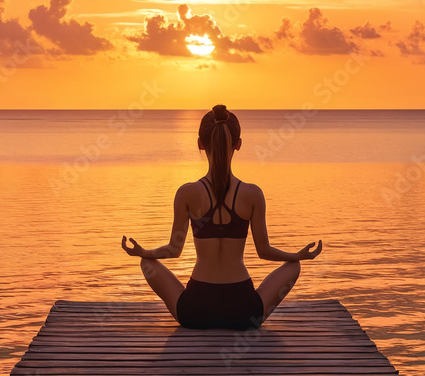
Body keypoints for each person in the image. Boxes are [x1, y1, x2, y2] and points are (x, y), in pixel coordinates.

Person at [121, 104, 323, 330]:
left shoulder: (186, 193)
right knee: (293, 266)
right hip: (244, 312)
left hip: (195, 311)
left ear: (200, 143)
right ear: (238, 144)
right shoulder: (252, 194)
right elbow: (264, 251)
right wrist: (298, 255)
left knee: (147, 262)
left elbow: (174, 250)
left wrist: (143, 252)